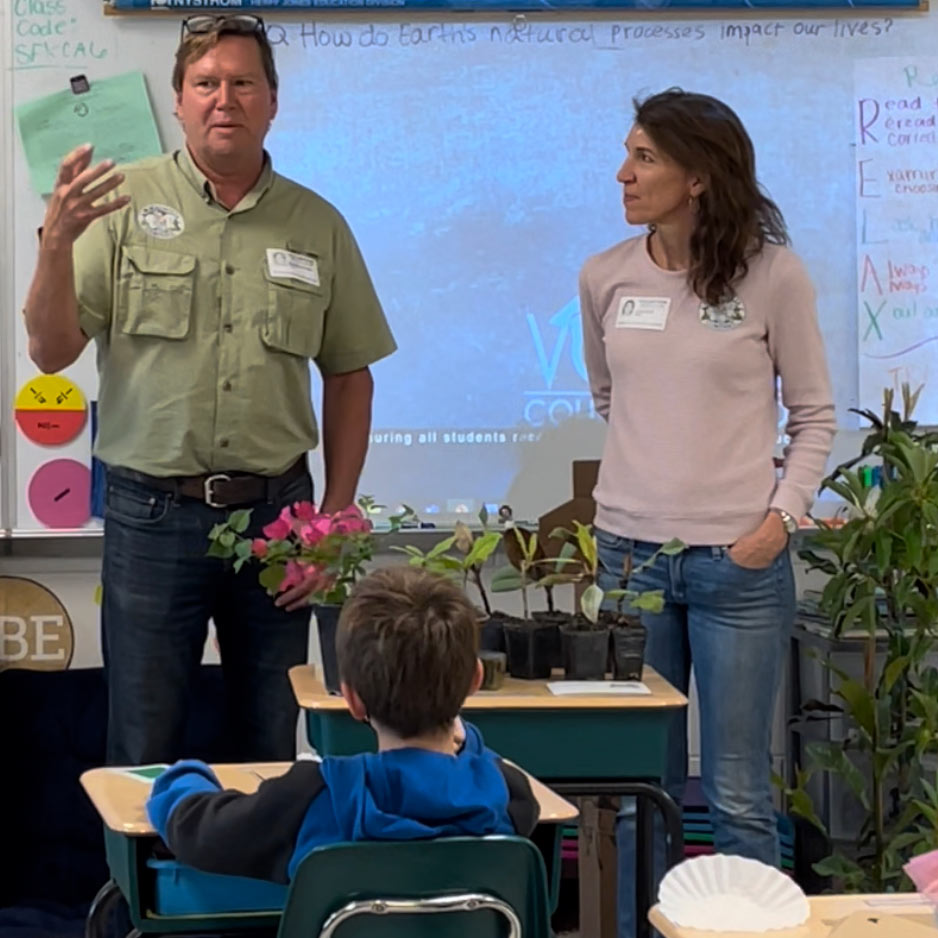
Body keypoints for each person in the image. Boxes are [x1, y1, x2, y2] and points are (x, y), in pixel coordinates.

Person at [22, 13, 396, 766]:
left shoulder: (317, 224)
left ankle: (252, 888)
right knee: (143, 740)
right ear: (181, 99)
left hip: (277, 520)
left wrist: (335, 515)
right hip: (151, 516)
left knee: (267, 738)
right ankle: (140, 890)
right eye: (206, 83)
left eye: (242, 82)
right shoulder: (119, 203)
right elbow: (51, 350)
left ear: (271, 101)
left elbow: (351, 373)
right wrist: (57, 246)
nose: (224, 98)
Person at [579, 89, 836, 937]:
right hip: (629, 559)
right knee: (628, 794)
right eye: (628, 154)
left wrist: (777, 521)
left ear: (699, 175)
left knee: (737, 792)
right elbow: (611, 397)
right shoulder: (604, 276)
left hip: (741, 561)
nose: (624, 173)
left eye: (644, 157)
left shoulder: (775, 274)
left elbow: (814, 416)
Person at [146, 566, 540, 881]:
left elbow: (200, 831)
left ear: (351, 698)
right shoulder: (507, 793)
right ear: (475, 680)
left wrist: (182, 778)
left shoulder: (312, 797)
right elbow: (480, 764)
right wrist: (465, 741)